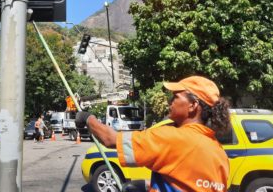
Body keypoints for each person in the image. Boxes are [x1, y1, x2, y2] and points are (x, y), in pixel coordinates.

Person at [76, 76, 231, 192]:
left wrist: (88, 119)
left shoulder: (172, 137)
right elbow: (186, 184)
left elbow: (110, 139)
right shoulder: (220, 153)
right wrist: (147, 185)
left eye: (176, 97)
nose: (170, 101)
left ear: (193, 105)